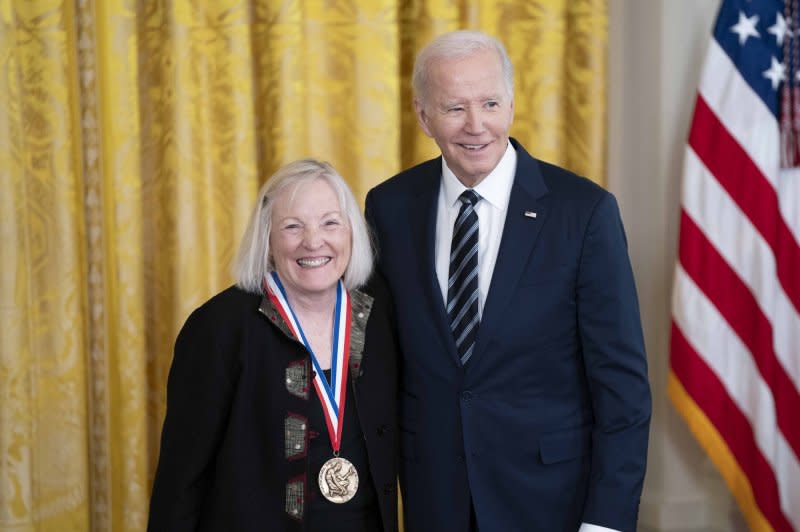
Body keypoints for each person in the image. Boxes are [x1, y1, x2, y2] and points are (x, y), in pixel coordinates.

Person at [365, 30, 651, 532]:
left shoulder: (583, 213)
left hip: (551, 502)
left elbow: (623, 390)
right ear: (422, 114)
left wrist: (605, 522)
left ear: (512, 104)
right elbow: (381, 361)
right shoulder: (389, 207)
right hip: (434, 499)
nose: (476, 125)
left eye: (490, 103)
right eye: (454, 107)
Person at [148, 159, 398, 532]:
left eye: (330, 223)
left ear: (352, 233)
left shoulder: (377, 317)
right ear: (266, 239)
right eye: (292, 227)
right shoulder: (218, 328)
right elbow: (181, 481)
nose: (313, 242)